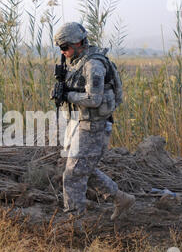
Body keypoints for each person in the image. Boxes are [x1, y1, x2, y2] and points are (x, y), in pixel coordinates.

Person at [54, 22, 135, 221]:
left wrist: (68, 95)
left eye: (65, 47)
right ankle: (121, 199)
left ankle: (75, 222)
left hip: (94, 127)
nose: (63, 52)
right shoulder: (76, 61)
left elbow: (94, 99)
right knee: (83, 169)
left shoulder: (93, 65)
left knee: (72, 175)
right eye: (60, 48)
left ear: (79, 43)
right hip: (82, 124)